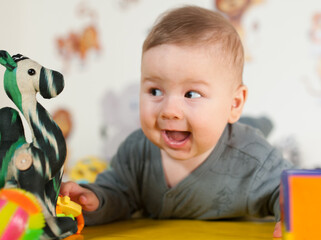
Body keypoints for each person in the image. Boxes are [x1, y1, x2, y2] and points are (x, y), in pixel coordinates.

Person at [60, 5, 293, 238]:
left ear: (234, 104)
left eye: (191, 94)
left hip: (238, 137)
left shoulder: (253, 158)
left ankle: (261, 122)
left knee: (254, 128)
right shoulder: (136, 151)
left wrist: (288, 213)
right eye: (155, 91)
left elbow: (286, 190)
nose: (169, 111)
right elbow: (119, 193)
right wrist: (94, 200)